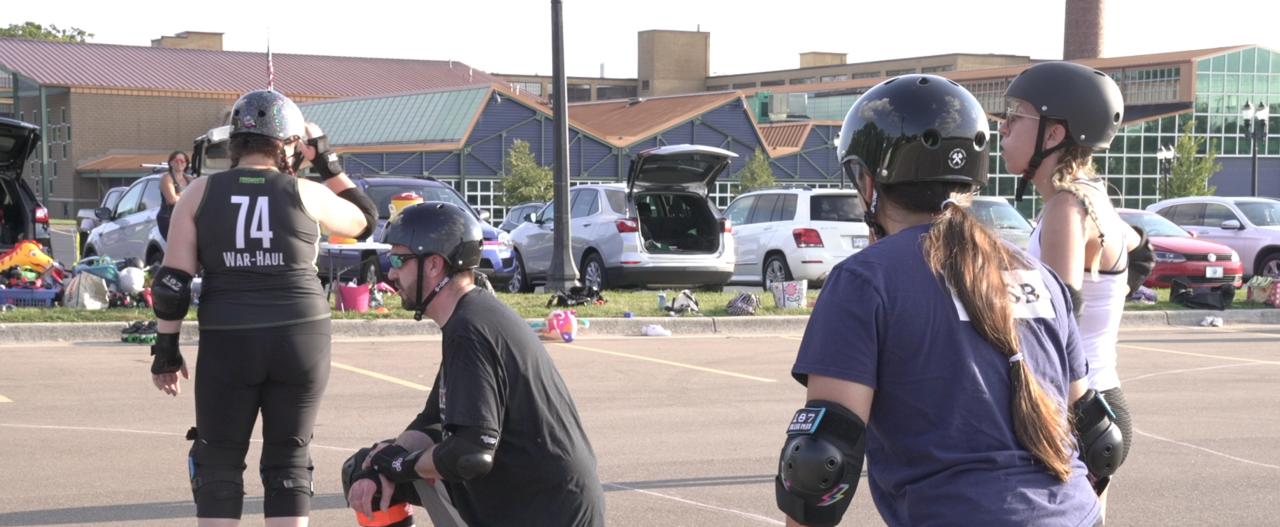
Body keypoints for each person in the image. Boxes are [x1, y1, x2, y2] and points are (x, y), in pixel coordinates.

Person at [775, 75, 1119, 527]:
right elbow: (1099, 438)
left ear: (869, 180)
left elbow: (820, 461)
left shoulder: (865, 280)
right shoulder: (1041, 278)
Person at [148, 89, 378, 527]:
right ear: (290, 143)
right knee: (288, 461)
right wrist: (326, 160)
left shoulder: (198, 192)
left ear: (235, 142)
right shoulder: (305, 190)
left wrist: (166, 350)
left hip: (230, 336)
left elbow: (173, 284)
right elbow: (366, 217)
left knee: (217, 463)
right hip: (301, 335)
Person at [343, 202, 605, 527]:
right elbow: (433, 421)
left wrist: (401, 465)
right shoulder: (468, 314)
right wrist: (383, 460)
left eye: (398, 259)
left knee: (388, 473)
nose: (391, 272)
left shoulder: (470, 329)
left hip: (539, 511)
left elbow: (470, 454)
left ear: (435, 265)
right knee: (363, 471)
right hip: (526, 496)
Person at [1000, 61, 1140, 516]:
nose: (1002, 126)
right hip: (1099, 401)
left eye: (1015, 115)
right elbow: (1134, 242)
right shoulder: (1089, 198)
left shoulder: (1066, 207)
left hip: (1074, 408)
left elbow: (1052, 323)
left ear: (1054, 135)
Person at [157, 150, 194, 241]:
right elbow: (172, 200)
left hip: (185, 218)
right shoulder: (166, 177)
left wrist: (179, 195)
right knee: (175, 246)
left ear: (186, 163)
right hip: (168, 217)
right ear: (171, 163)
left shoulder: (191, 179)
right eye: (177, 160)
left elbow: (196, 198)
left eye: (183, 160)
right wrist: (187, 197)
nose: (180, 162)